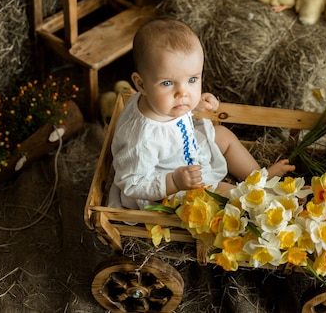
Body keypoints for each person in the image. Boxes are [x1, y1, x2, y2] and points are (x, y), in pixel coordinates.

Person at [109, 17, 295, 210]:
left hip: (186, 151)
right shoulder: (142, 139)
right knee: (220, 194)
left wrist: (195, 105)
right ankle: (268, 200)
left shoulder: (162, 101)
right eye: (167, 83)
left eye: (192, 79)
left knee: (223, 136)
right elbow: (131, 184)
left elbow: (174, 108)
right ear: (141, 84)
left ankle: (258, 178)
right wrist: (174, 181)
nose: (183, 93)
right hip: (168, 184)